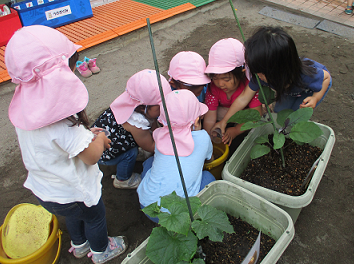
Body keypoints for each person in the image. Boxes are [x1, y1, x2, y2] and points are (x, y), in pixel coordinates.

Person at [5, 25, 127, 263]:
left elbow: (54, 144)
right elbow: (91, 157)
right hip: (74, 191)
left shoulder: (25, 111)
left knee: (73, 217)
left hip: (47, 192)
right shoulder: (63, 123)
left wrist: (84, 135)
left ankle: (79, 245)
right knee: (94, 217)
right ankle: (102, 251)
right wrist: (99, 139)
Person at [212, 26, 332, 136]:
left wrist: (315, 98)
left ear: (279, 70)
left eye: (261, 73)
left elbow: (326, 78)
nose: (258, 76)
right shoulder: (261, 72)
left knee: (296, 116)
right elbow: (243, 98)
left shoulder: (305, 75)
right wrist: (224, 121)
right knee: (279, 114)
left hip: (311, 88)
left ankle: (294, 135)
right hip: (287, 88)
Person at [137, 90, 215, 223]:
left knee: (150, 161)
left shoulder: (159, 136)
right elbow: (211, 159)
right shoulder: (203, 137)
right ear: (196, 121)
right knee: (209, 177)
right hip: (181, 215)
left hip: (147, 206)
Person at [92, 69, 172, 189]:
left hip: (108, 138)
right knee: (131, 153)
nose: (165, 108)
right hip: (103, 152)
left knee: (140, 144)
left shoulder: (134, 104)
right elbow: (149, 146)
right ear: (143, 107)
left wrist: (158, 133)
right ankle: (123, 179)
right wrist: (168, 148)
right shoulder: (136, 123)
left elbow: (153, 123)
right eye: (161, 105)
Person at [203, 38, 262, 146]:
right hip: (226, 115)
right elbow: (210, 117)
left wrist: (236, 130)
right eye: (215, 78)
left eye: (226, 79)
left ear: (241, 73)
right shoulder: (213, 87)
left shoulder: (250, 85)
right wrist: (208, 139)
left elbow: (256, 115)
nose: (220, 84)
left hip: (246, 114)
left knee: (257, 119)